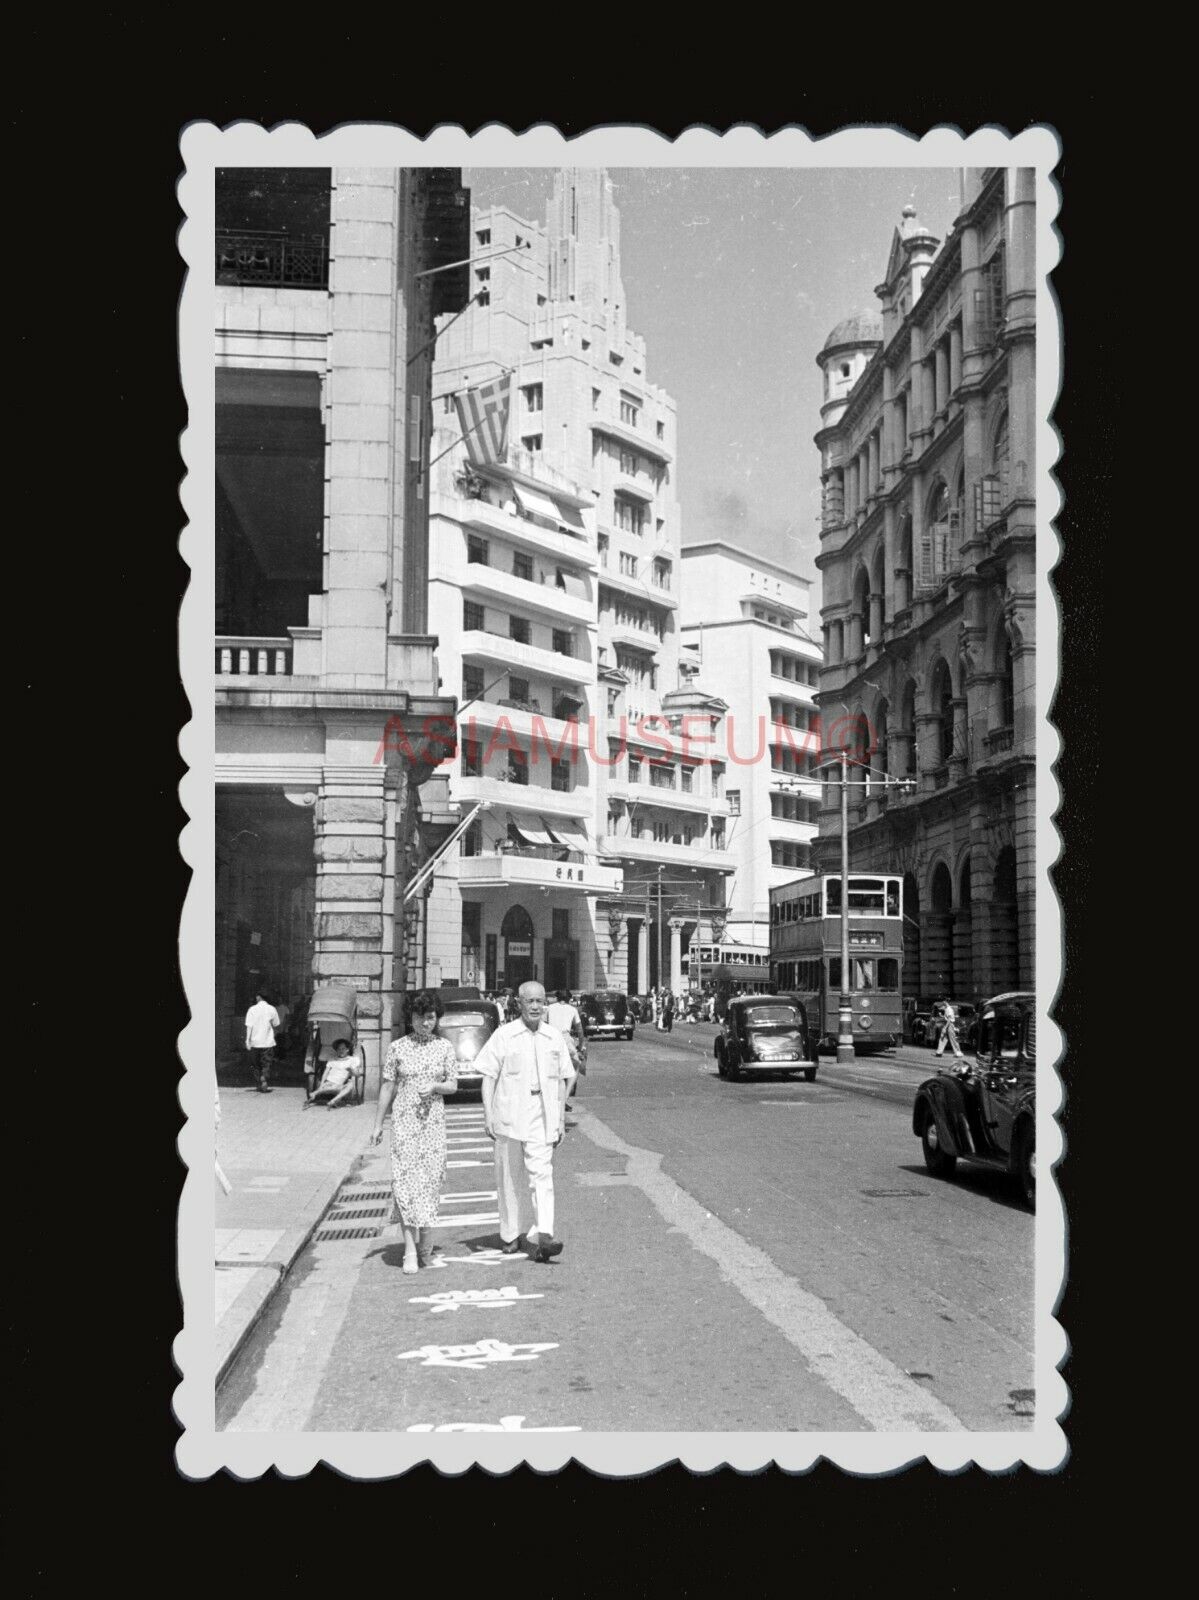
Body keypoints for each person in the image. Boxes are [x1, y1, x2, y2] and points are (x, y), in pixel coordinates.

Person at [474, 981, 570, 1264]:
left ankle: (544, 1237)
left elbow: (563, 1080)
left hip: (543, 1115)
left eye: (541, 1001)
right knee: (509, 1178)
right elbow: (488, 1076)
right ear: (519, 1003)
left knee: (542, 1176)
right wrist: (488, 1114)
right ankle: (509, 1235)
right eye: (531, 1001)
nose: (537, 1007)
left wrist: (561, 1119)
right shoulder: (504, 1036)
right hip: (509, 1115)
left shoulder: (554, 1037)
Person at [370, 991, 458, 1274]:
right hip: (405, 1124)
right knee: (405, 1186)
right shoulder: (397, 1048)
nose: (425, 1023)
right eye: (420, 1017)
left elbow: (453, 1085)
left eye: (430, 1017)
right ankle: (410, 1248)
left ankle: (427, 1243)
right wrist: (377, 1125)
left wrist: (435, 1087)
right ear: (411, 1018)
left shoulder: (444, 1047)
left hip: (432, 1125)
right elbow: (387, 1086)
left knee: (430, 1183)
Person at [547, 987, 586, 1114]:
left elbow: (542, 1024)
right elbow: (579, 1030)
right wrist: (581, 1045)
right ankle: (565, 1098)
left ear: (557, 998)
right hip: (565, 1038)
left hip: (551, 1038)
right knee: (576, 1066)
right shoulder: (572, 1009)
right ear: (569, 999)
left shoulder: (550, 1008)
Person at [305, 1037, 360, 1109]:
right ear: (336, 1050)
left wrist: (351, 1070)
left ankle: (332, 1100)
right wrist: (321, 1084)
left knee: (350, 1085)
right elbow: (326, 1073)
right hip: (329, 1083)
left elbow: (357, 1075)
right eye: (339, 1049)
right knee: (330, 1086)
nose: (341, 1051)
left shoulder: (352, 1060)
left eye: (343, 1049)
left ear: (347, 1050)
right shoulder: (332, 1060)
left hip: (340, 1085)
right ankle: (319, 1092)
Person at [244, 989, 281, 1093]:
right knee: (267, 1063)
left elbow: (249, 1026)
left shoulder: (252, 1009)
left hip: (255, 1042)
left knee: (256, 1064)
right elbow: (276, 1024)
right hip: (267, 1042)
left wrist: (247, 1040)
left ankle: (258, 1083)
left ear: (258, 997)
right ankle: (264, 1077)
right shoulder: (272, 1009)